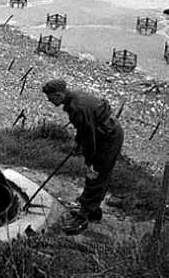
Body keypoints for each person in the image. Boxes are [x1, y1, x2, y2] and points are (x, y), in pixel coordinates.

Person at [42, 78, 124, 234]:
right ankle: (93, 211)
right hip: (103, 132)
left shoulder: (77, 107)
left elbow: (90, 138)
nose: (49, 100)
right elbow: (84, 128)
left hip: (108, 137)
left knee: (95, 175)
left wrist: (89, 162)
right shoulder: (74, 99)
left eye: (50, 97)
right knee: (96, 175)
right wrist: (77, 143)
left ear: (59, 94)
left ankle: (82, 218)